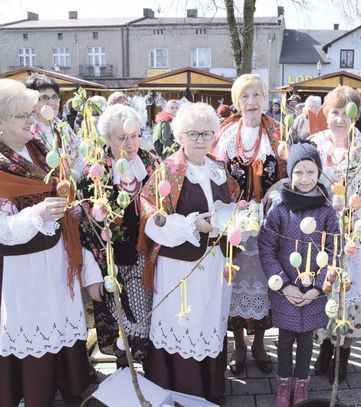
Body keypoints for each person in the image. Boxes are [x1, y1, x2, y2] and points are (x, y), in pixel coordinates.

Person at [0, 78, 103, 406]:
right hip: (24, 274)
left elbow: (70, 209)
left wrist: (86, 261)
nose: (32, 120)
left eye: (31, 113)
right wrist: (38, 214)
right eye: (22, 116)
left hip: (57, 265)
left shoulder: (40, 150)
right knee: (34, 337)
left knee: (61, 329)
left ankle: (70, 386)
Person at [140, 102, 239, 404]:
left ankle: (209, 390)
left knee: (208, 322)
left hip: (213, 265)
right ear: (180, 136)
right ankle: (180, 390)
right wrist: (191, 225)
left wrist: (239, 221)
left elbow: (233, 203)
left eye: (206, 133)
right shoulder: (168, 170)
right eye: (193, 133)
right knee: (183, 324)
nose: (200, 140)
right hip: (179, 268)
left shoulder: (219, 168)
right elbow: (151, 220)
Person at [309, 86, 361, 383]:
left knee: (353, 295)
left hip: (357, 237)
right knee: (327, 291)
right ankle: (326, 346)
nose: (340, 119)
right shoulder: (315, 146)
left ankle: (345, 353)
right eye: (335, 112)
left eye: (346, 113)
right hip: (322, 235)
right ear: (326, 114)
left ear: (357, 116)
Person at [213, 73, 286, 376]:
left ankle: (259, 343)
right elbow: (215, 175)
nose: (251, 102)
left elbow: (287, 175)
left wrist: (271, 197)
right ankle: (239, 345)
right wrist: (234, 207)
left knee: (266, 284)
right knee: (234, 283)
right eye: (245, 96)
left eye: (257, 95)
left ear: (265, 99)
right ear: (236, 101)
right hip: (234, 224)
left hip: (269, 222)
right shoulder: (226, 135)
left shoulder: (279, 134)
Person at [258, 142, 339, 406]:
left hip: (314, 290)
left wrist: (318, 286)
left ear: (319, 173)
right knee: (284, 339)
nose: (305, 178)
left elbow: (333, 248)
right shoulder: (280, 208)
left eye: (311, 171)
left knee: (306, 340)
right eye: (299, 172)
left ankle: (301, 383)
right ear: (290, 174)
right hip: (286, 288)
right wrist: (282, 285)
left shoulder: (327, 210)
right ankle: (284, 384)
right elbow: (267, 246)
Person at [79, 104, 157, 368]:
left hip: (149, 256)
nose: (130, 143)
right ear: (107, 138)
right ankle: (125, 369)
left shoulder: (151, 162)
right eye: (121, 137)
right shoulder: (96, 172)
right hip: (113, 260)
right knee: (122, 315)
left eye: (134, 135)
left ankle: (148, 366)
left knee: (148, 313)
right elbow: (86, 227)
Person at [26, 74, 85, 179]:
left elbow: (79, 160)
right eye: (44, 98)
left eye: (55, 97)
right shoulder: (27, 132)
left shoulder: (64, 128)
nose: (52, 102)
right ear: (32, 103)